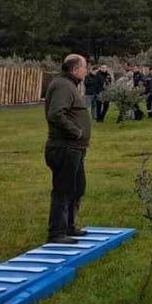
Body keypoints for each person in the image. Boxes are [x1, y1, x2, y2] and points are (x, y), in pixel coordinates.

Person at [45, 54, 92, 244]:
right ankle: (57, 232)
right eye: (84, 67)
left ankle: (70, 226)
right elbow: (56, 113)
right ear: (74, 69)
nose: (86, 71)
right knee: (63, 190)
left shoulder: (69, 85)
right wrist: (77, 132)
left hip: (74, 148)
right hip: (64, 147)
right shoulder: (63, 86)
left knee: (77, 187)